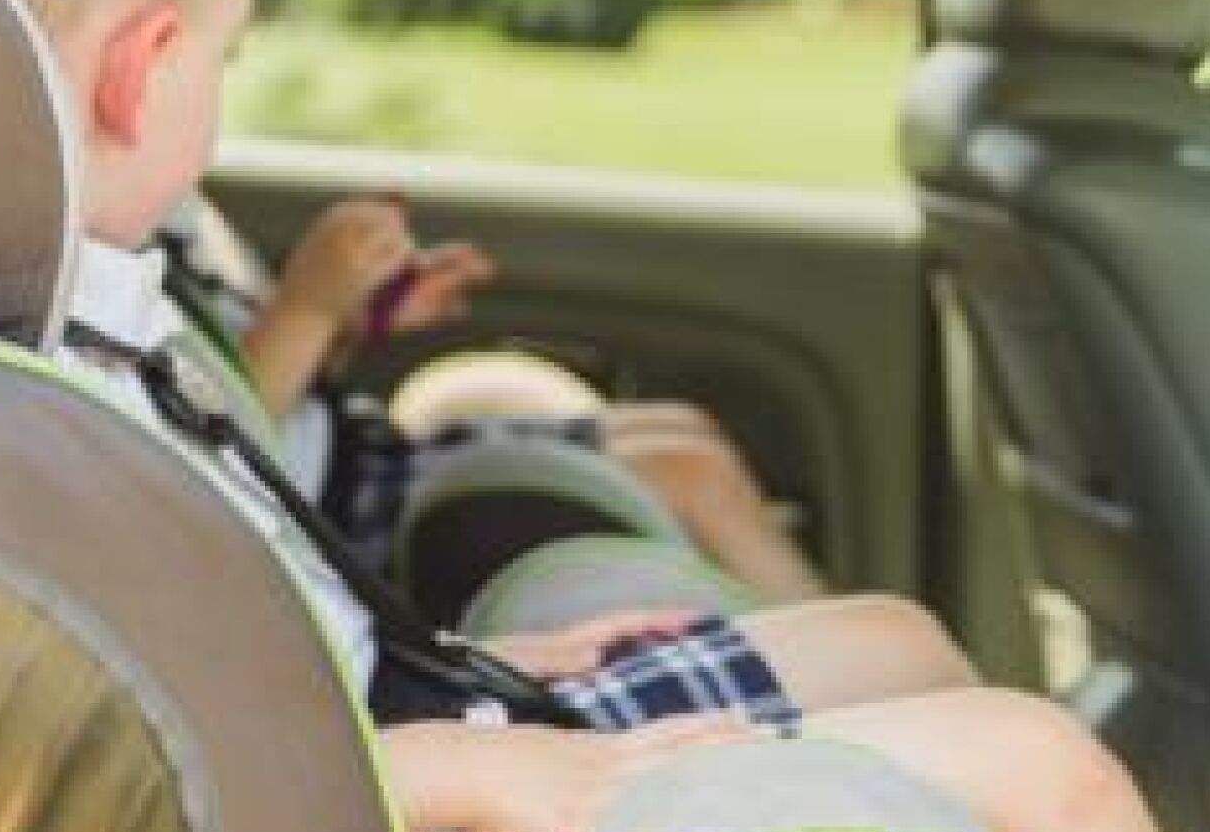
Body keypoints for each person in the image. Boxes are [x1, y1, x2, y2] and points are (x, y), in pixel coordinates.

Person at [0, 0, 1210, 832]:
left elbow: (240, 622)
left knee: (904, 645)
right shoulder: (33, 404)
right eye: (227, 56)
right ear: (141, 73)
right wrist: (455, 765)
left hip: (390, 760)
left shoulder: (72, 332)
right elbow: (102, 792)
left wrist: (447, 666)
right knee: (1045, 771)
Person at [174, 192, 829, 603]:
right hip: (328, 521)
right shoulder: (128, 265)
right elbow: (214, 438)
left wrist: (350, 323)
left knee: (685, 431)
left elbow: (265, 379)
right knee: (691, 471)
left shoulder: (180, 228)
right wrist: (308, 306)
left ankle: (806, 625)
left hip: (357, 451)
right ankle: (830, 662)